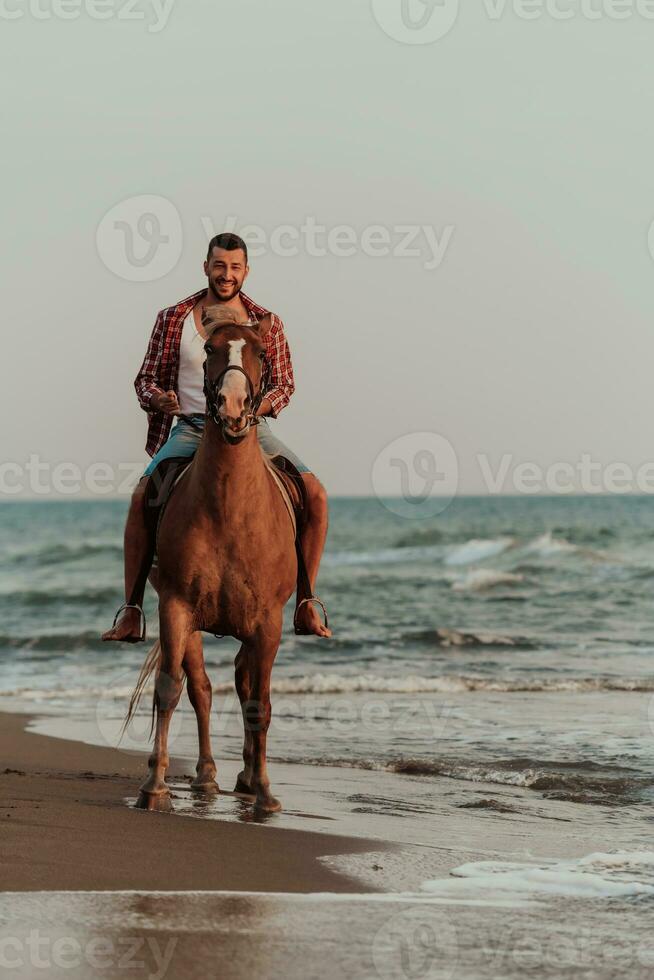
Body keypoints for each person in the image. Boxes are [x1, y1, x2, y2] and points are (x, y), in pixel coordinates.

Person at [102, 232, 331, 641]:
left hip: (251, 429)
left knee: (314, 494)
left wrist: (251, 410)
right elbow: (145, 378)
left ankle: (306, 602)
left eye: (235, 267)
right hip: (191, 428)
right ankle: (132, 610)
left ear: (246, 271)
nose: (227, 275)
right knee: (142, 496)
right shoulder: (173, 318)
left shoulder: (266, 323)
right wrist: (159, 399)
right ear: (206, 267)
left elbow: (285, 384)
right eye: (220, 266)